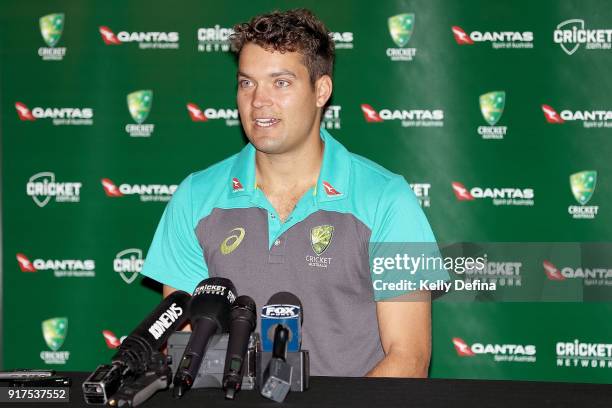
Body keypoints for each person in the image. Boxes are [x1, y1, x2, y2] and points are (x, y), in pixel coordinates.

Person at [141, 8, 446, 377]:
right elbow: (188, 353)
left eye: (280, 82)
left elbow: (408, 359)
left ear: (322, 91)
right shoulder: (194, 197)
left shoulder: (388, 199)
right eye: (247, 83)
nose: (258, 101)